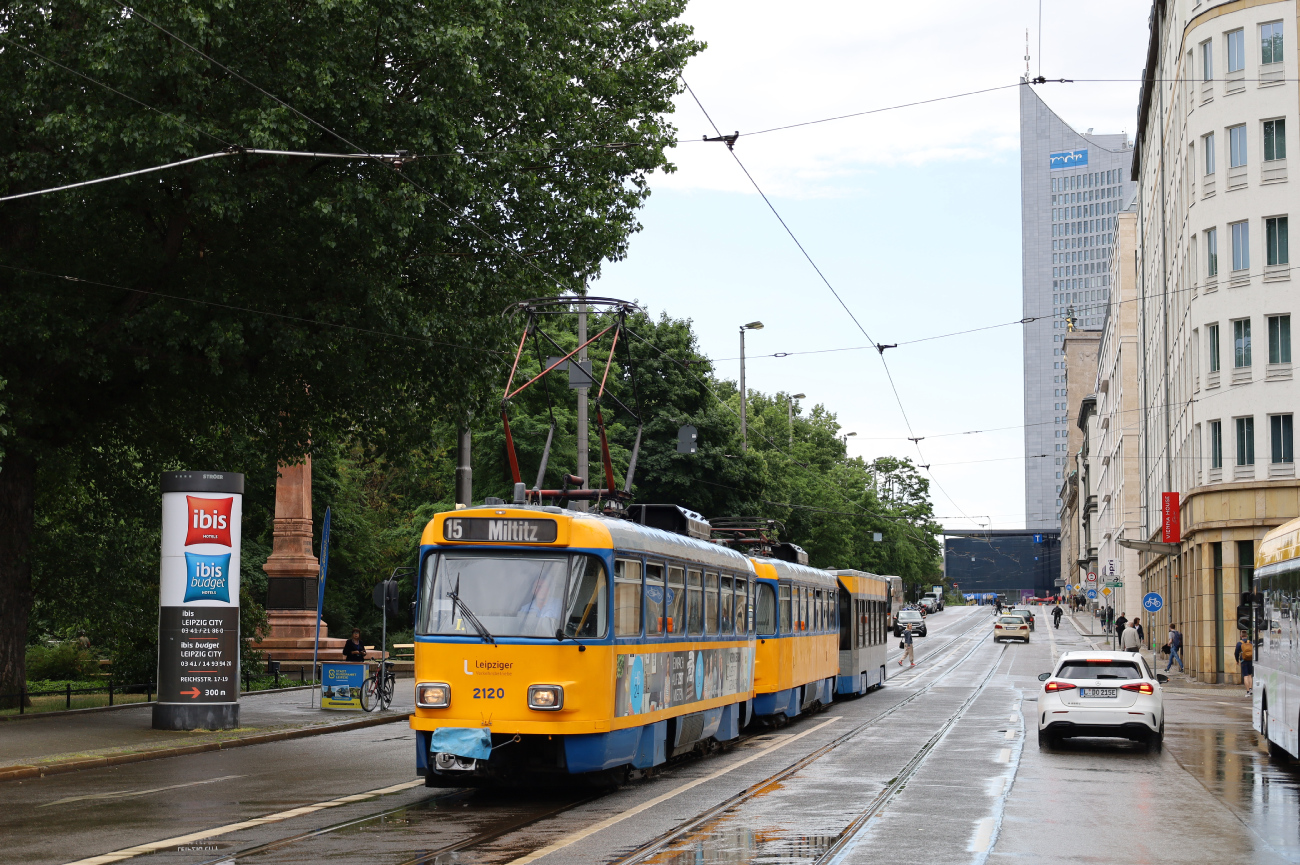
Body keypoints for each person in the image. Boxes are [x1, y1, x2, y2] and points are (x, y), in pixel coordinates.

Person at [1235, 631, 1254, 696]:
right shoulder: (1250, 642)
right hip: (1250, 660)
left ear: (1241, 636)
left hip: (1243, 661)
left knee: (1245, 676)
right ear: (1247, 636)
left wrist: (1237, 660)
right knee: (1250, 675)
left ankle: (1248, 691)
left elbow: (1236, 653)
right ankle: (1251, 689)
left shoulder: (1239, 643)